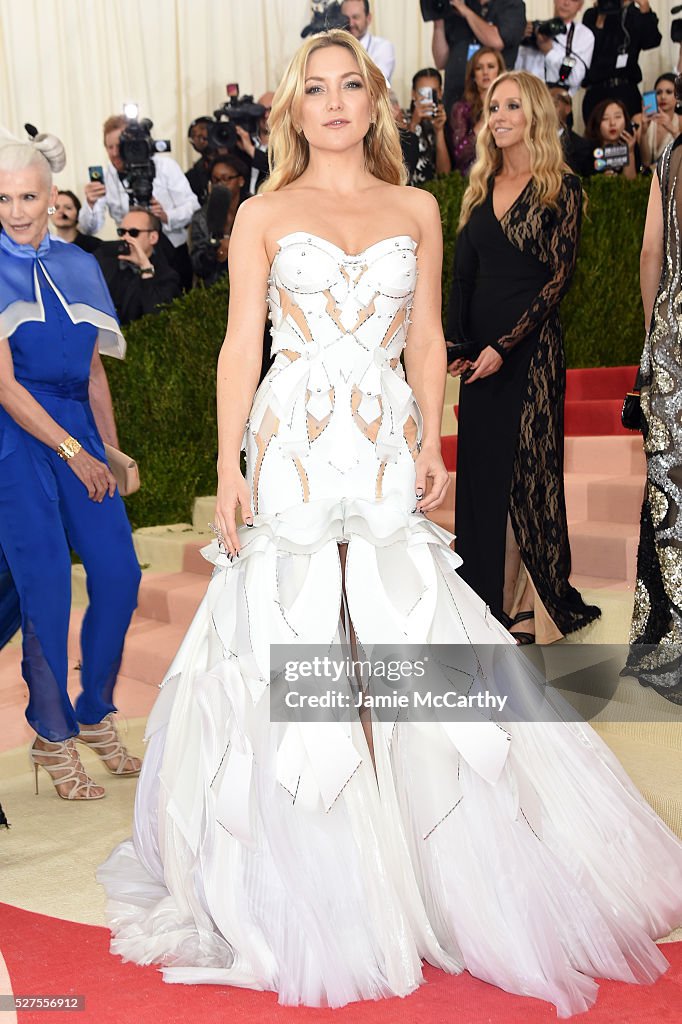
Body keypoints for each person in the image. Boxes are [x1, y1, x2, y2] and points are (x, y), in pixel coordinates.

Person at [97, 34, 682, 1018]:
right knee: (298, 636)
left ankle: (416, 857)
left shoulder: (415, 207)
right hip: (290, 445)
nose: (333, 103)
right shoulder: (263, 213)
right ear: (296, 109)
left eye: (349, 87)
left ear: (372, 103)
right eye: (315, 90)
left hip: (376, 445)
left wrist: (428, 443)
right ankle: (316, 869)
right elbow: (242, 344)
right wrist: (231, 464)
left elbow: (421, 337)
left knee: (398, 632)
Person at [0, 127, 142, 800]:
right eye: (2, 199)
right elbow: (3, 386)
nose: (16, 210)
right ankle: (51, 734)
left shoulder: (81, 266)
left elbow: (92, 374)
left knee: (119, 575)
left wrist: (108, 450)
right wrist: (73, 450)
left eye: (27, 196)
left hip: (79, 433)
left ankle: (94, 710)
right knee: (48, 589)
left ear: (51, 195)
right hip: (16, 440)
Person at [447, 71, 600, 644]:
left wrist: (502, 347)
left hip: (530, 351)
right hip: (479, 359)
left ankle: (529, 602)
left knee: (525, 475)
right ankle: (485, 598)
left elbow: (560, 279)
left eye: (512, 104)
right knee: (483, 478)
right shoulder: (479, 188)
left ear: (535, 113)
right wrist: (460, 347)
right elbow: (463, 278)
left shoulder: (562, 187)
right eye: (493, 106)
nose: (500, 114)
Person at [626, 76, 682, 703]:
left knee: (671, 493)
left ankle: (665, 643)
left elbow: (650, 253)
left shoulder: (668, 155)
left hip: (672, 333)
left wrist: (655, 339)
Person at [79, 114, 199, 291]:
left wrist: (167, 216)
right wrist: (90, 204)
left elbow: (193, 206)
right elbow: (89, 228)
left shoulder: (164, 166)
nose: (114, 153)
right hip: (131, 255)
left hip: (173, 251)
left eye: (119, 146)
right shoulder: (106, 177)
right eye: (109, 147)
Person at [431, 0, 527, 119]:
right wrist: (438, 22)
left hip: (493, 100)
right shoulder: (456, 6)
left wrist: (466, 11)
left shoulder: (511, 5)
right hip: (454, 98)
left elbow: (496, 41)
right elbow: (440, 61)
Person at [95, 207, 182, 325]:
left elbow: (157, 318)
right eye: (122, 232)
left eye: (133, 233)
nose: (125, 238)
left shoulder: (167, 275)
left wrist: (145, 268)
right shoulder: (105, 263)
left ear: (153, 237)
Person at [581, 0, 662, 122]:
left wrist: (645, 9)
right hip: (597, 90)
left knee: (631, 134)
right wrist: (601, 15)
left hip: (626, 88)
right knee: (596, 137)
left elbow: (652, 42)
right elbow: (588, 49)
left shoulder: (635, 15)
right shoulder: (592, 15)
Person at [190, 155, 248, 286]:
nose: (221, 184)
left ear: (241, 181)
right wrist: (214, 251)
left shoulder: (254, 210)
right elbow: (198, 266)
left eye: (226, 179)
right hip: (214, 288)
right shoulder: (201, 217)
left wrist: (234, 246)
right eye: (216, 180)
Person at [515, 0, 594, 94]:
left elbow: (575, 78)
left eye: (573, 0)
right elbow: (515, 70)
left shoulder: (583, 35)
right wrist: (517, 37)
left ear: (580, 6)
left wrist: (549, 51)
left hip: (558, 99)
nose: (566, 3)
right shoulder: (536, 29)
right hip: (527, 94)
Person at [450, 47, 506, 175]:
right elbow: (460, 155)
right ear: (473, 75)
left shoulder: (510, 107)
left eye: (490, 66)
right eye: (479, 68)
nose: (485, 72)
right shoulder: (461, 108)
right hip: (472, 176)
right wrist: (484, 119)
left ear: (500, 72)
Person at [407, 68, 452, 184]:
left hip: (436, 194)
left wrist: (439, 131)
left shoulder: (448, 122)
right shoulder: (401, 120)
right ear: (413, 94)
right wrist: (413, 125)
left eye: (432, 93)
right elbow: (400, 168)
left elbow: (445, 174)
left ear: (440, 93)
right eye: (422, 93)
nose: (427, 98)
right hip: (408, 193)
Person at [584, 97, 641, 178]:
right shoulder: (588, 152)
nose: (612, 123)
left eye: (617, 117)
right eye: (605, 118)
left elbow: (632, 184)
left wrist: (630, 152)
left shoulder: (632, 146)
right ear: (597, 123)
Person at [341, 0, 396, 81]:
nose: (351, 23)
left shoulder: (382, 47)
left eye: (355, 17)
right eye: (346, 18)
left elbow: (377, 81)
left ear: (368, 18)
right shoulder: (335, 47)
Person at [234, 92, 275, 195]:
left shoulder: (289, 144)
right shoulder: (244, 141)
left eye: (271, 109)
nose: (266, 115)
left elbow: (278, 169)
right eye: (261, 110)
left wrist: (250, 150)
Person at [549, 85, 595, 175]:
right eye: (544, 105)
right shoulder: (530, 141)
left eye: (554, 105)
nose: (548, 110)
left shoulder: (581, 146)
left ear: (567, 108)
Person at [639, 73, 681, 169]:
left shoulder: (680, 121)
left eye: (669, 92)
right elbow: (645, 162)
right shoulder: (643, 119)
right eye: (658, 92)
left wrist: (673, 130)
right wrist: (644, 132)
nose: (663, 97)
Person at [185, 117, 215, 205]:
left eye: (203, 128)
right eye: (193, 135)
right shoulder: (192, 176)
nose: (199, 134)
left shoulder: (239, 156)